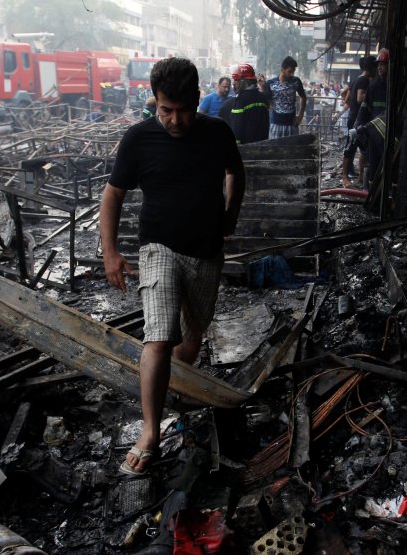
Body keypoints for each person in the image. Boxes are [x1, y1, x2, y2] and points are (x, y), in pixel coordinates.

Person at [99, 56, 245, 478]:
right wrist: (111, 252)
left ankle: (173, 395)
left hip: (205, 252)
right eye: (166, 110)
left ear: (197, 100)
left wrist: (230, 213)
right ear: (155, 101)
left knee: (191, 339)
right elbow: (113, 195)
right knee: (159, 337)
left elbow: (237, 172)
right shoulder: (139, 139)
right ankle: (149, 431)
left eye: (182, 110)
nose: (175, 119)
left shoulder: (217, 133)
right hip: (157, 248)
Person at [342, 56, 375, 187]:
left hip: (354, 118)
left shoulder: (356, 79)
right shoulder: (364, 81)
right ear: (372, 68)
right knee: (351, 148)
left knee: (359, 149)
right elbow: (359, 98)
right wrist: (373, 93)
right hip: (357, 121)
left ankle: (359, 177)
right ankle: (345, 177)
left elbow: (347, 99)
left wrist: (353, 111)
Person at [217, 63, 269, 145]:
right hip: (261, 145)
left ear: (243, 81)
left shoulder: (240, 100)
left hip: (245, 148)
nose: (233, 83)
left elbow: (236, 127)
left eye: (236, 80)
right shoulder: (262, 98)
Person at [263, 56, 307, 139]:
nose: (291, 74)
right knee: (275, 150)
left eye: (293, 71)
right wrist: (262, 88)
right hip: (276, 124)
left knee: (292, 149)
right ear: (282, 69)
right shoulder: (271, 83)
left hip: (292, 124)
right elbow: (266, 102)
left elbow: (303, 97)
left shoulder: (296, 81)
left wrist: (300, 115)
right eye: (289, 71)